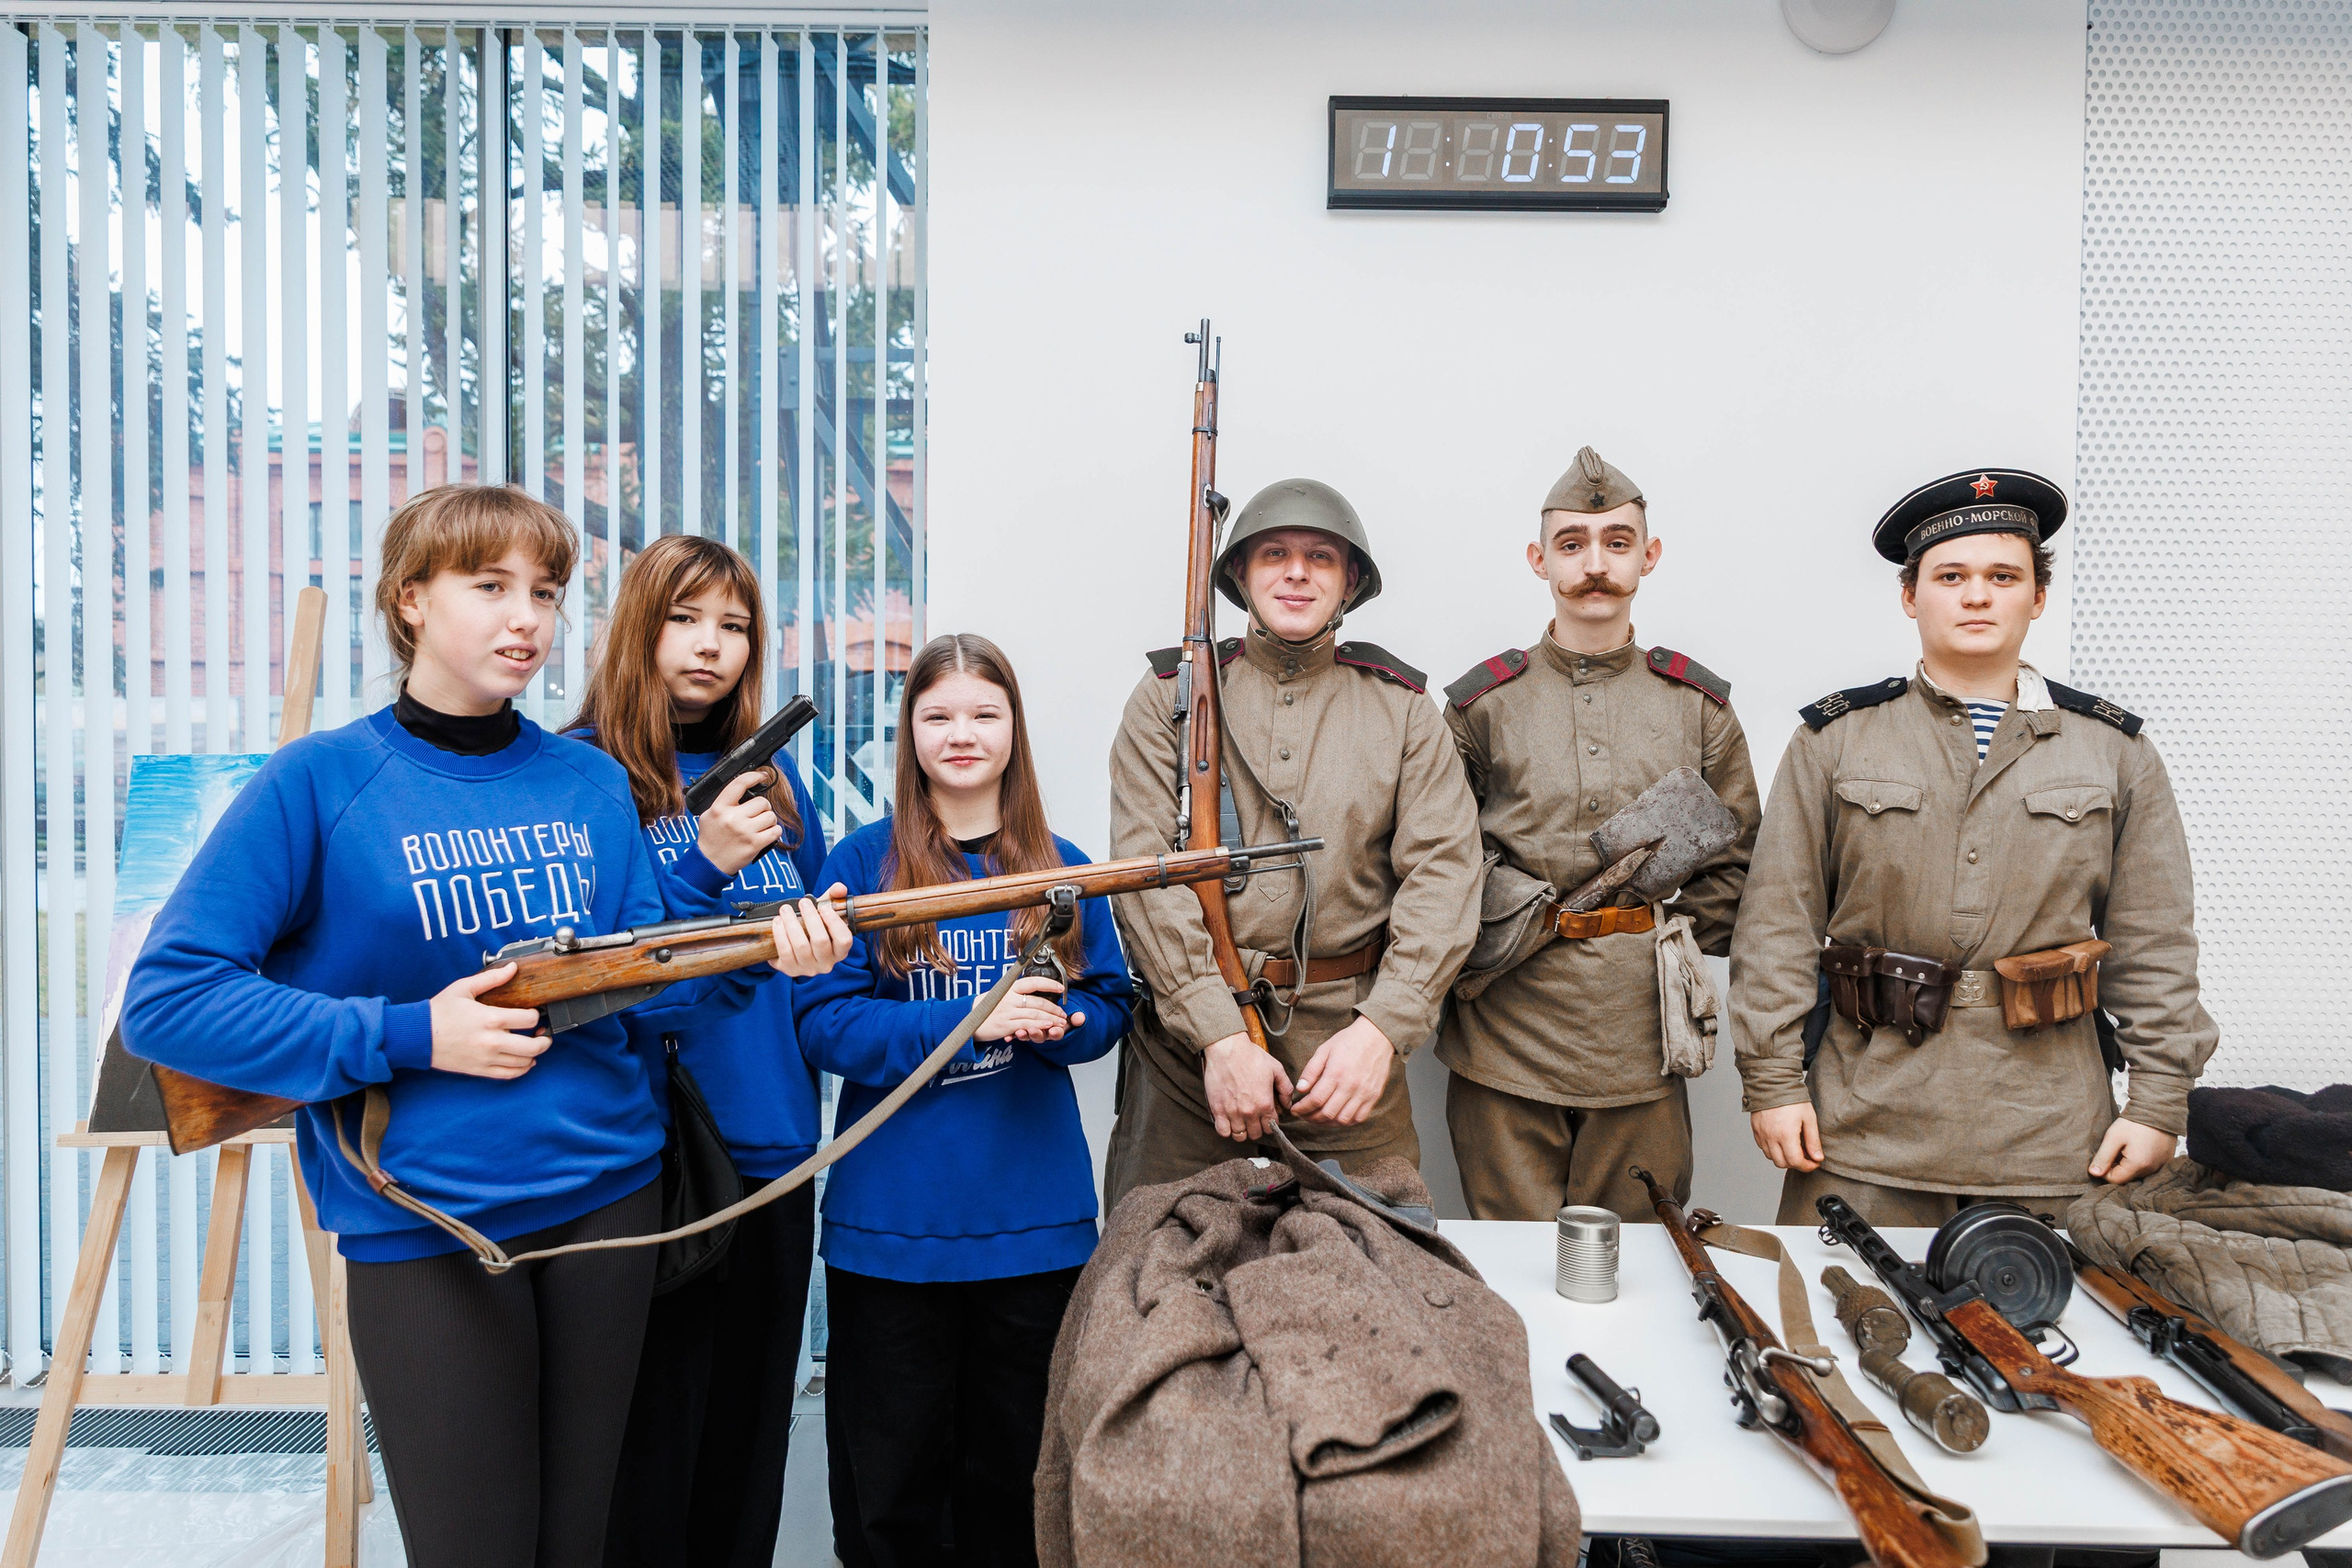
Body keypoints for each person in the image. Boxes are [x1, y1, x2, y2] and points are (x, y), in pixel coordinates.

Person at [119, 486, 851, 1568]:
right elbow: (169, 1001)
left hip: (612, 1203)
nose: (528, 620)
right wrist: (413, 1034)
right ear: (410, 601)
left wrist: (764, 958)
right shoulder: (320, 782)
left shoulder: (590, 782)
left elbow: (642, 1001)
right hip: (430, 1223)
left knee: (583, 1544)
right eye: (491, 587)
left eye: (547, 593)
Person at [1731, 468, 2218, 1224]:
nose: (1977, 595)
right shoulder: (1834, 740)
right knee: (1836, 1335)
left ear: (2038, 596)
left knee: (2044, 1341)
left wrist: (2158, 1101)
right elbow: (1777, 927)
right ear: (1910, 596)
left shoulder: (2114, 752)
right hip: (1863, 1129)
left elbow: (2155, 943)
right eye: (1950, 575)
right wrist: (1772, 1081)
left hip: (2050, 1140)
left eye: (2003, 575)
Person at [794, 633, 1134, 1568]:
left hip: (1036, 1228)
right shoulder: (861, 864)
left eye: (984, 713)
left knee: (1015, 1485)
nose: (961, 733)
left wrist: (1061, 1023)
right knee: (889, 1492)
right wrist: (972, 1018)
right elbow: (822, 1025)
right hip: (890, 1231)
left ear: (1014, 731)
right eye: (937, 715)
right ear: (908, 734)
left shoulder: (1065, 866)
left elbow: (1111, 1006)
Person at [1102, 478, 1482, 1208]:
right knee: (1157, 1290)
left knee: (1378, 1293)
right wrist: (1217, 1036)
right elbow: (1141, 876)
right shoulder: (1168, 698)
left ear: (1351, 583)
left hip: (1348, 1068)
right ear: (1241, 575)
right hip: (1189, 1072)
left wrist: (1385, 1029)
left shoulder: (1402, 711)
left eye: (1321, 557)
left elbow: (1446, 879)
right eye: (1274, 553)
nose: (1297, 571)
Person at [571, 535, 832, 1568]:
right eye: (686, 619)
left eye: (733, 627)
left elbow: (786, 965)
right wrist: (705, 862)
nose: (711, 646)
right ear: (639, 626)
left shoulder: (777, 787)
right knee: (644, 1456)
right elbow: (598, 985)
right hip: (651, 1162)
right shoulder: (578, 776)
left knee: (744, 1449)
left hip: (773, 1149)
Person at [1438, 446, 1760, 1221]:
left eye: (1617, 543)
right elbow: (1438, 855)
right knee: (1510, 1263)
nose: (1594, 564)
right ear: (1538, 558)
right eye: (1572, 543)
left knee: (1643, 1257)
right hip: (1502, 1032)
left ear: (1648, 557)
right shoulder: (1484, 705)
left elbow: (1741, 859)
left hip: (1640, 1037)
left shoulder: (1698, 707)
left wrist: (1656, 936)